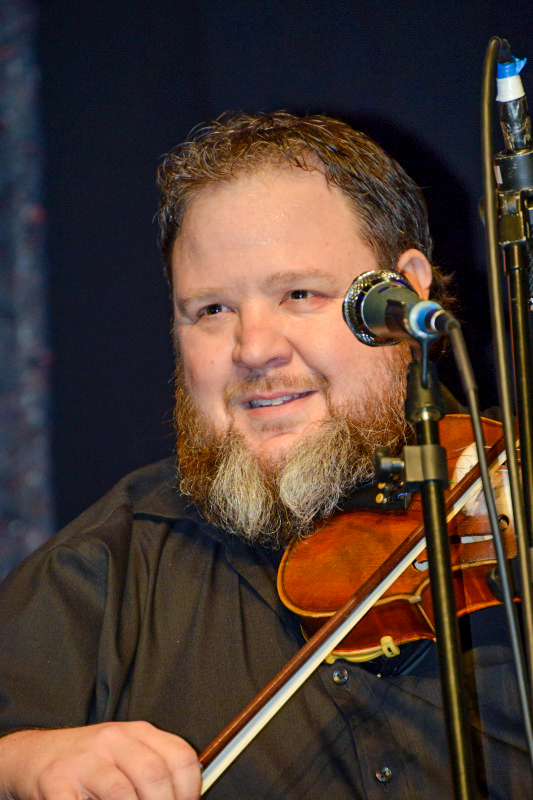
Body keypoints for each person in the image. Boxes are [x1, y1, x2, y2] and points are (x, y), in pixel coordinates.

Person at [0, 111, 529, 799]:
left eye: (299, 294)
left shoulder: (501, 490)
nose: (254, 349)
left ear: (405, 290)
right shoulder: (106, 567)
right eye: (212, 310)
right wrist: (20, 764)